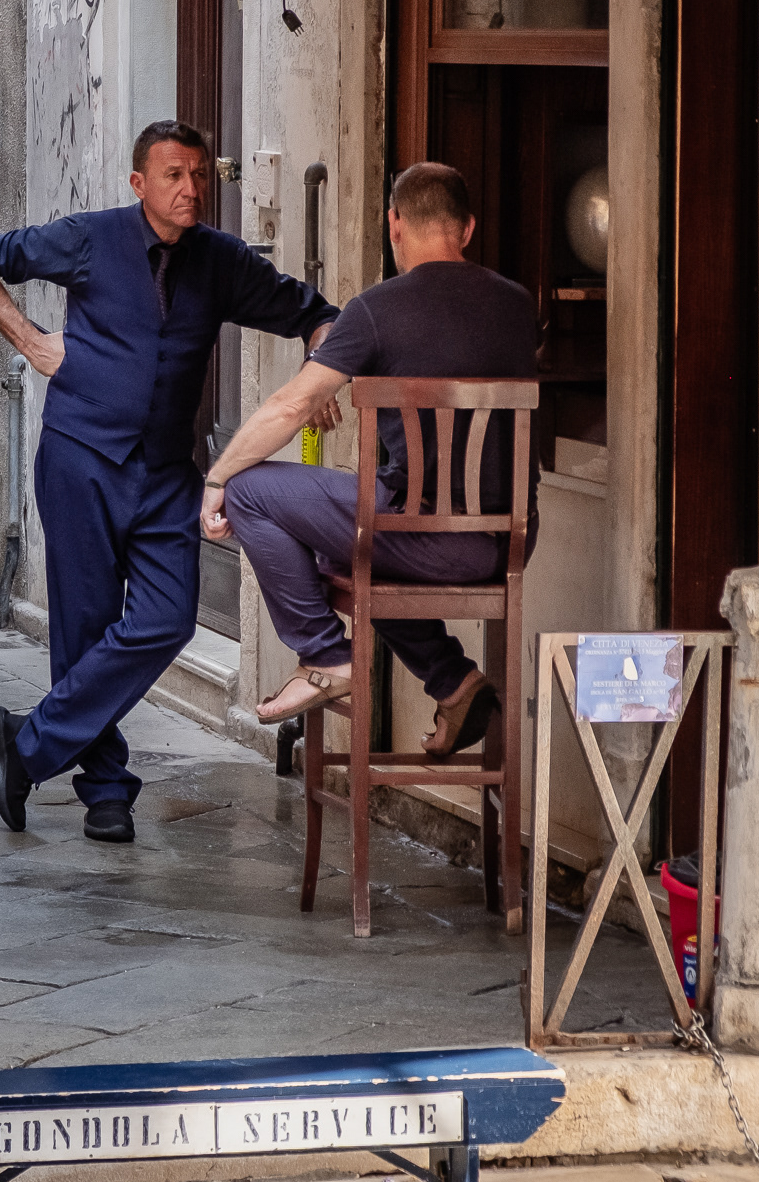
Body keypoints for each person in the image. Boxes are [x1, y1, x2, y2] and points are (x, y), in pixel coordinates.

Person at [0, 120, 338, 843]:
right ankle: (105, 791)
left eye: (198, 175)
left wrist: (322, 374)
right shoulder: (90, 238)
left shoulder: (220, 262)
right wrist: (34, 344)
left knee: (167, 619)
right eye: (172, 175)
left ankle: (29, 744)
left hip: (166, 472)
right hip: (80, 459)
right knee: (85, 624)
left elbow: (314, 315)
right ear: (139, 184)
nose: (190, 188)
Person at [201, 162, 539, 759]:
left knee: (252, 489)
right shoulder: (518, 307)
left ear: (394, 225)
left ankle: (326, 653)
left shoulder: (375, 310)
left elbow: (291, 405)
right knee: (347, 542)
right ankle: (454, 682)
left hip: (418, 534)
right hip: (505, 541)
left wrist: (218, 475)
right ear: (466, 229)